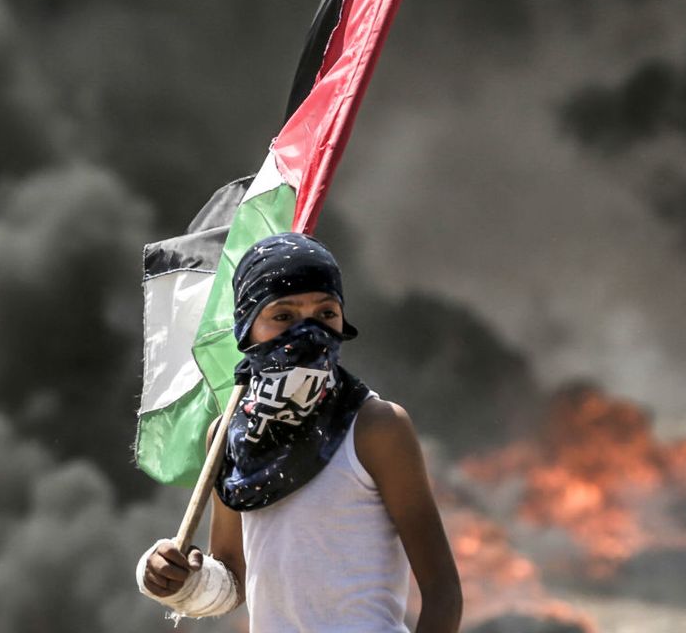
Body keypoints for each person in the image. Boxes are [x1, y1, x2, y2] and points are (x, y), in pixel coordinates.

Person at [136, 232, 463, 632]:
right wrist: (178, 580)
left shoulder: (376, 427)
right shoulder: (228, 436)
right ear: (246, 328)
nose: (308, 333)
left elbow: (443, 591)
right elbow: (233, 577)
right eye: (283, 316)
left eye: (326, 314)